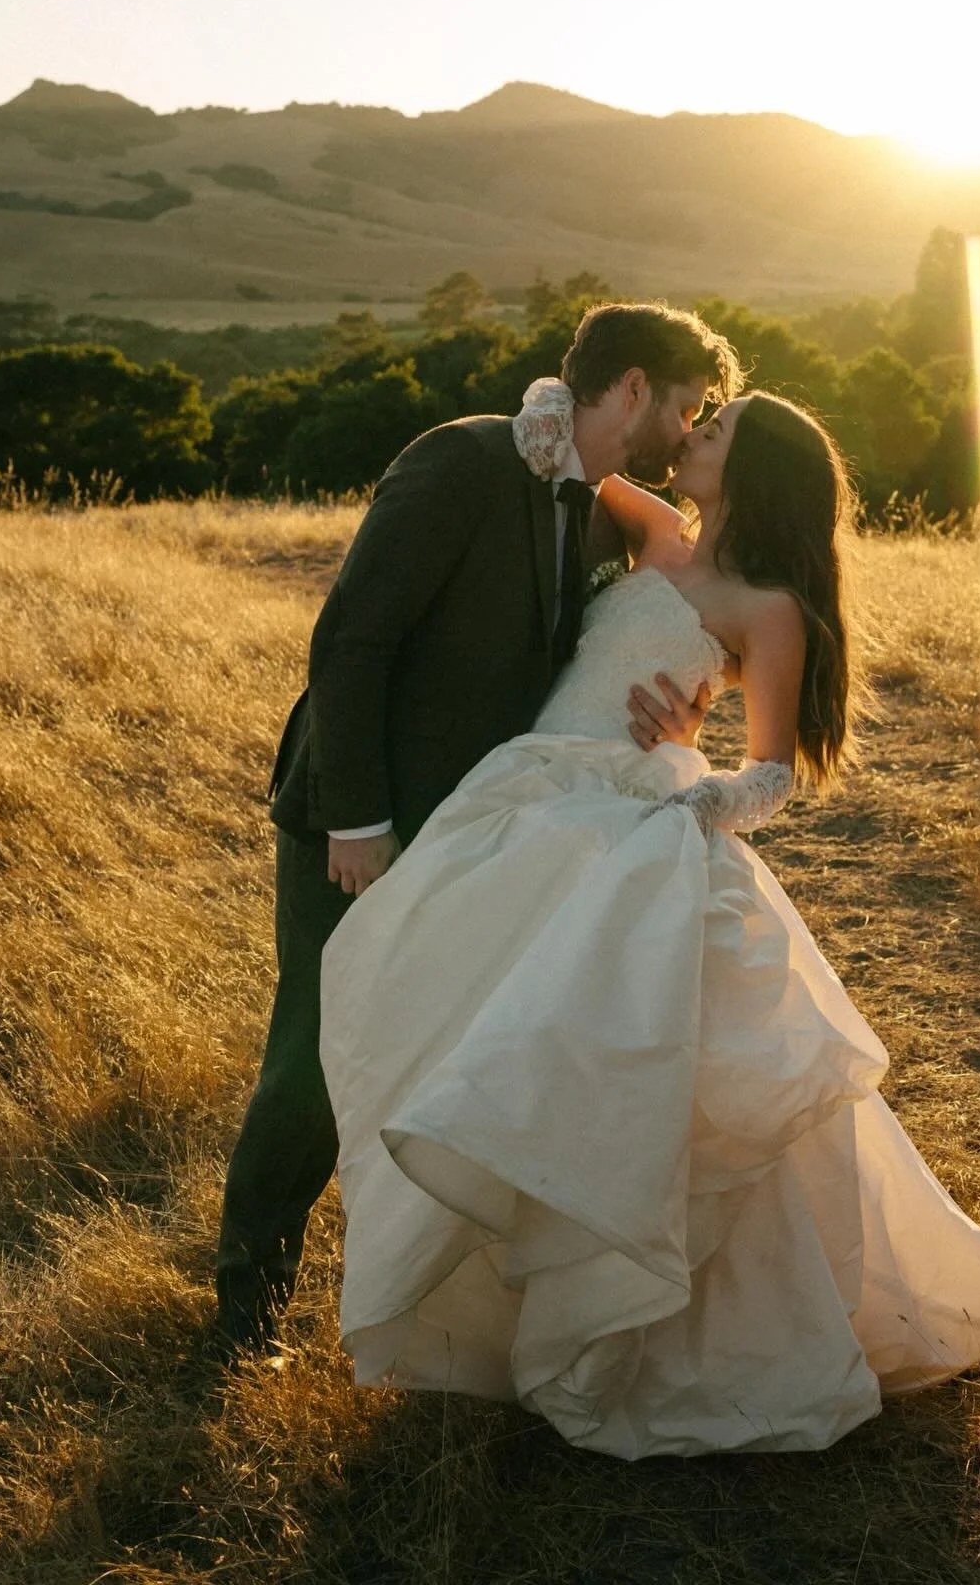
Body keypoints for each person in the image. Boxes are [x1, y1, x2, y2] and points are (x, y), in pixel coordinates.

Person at [319, 384, 980, 1458]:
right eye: (693, 421)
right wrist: (546, 404)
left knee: (619, 1055)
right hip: (531, 794)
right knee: (495, 1024)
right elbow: (571, 444)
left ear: (754, 471)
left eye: (710, 434)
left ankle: (655, 1324)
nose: (687, 439)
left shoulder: (768, 607)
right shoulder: (659, 531)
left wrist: (703, 798)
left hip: (640, 817)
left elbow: (775, 768)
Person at [215, 302, 743, 1356]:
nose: (690, 432)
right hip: (359, 823)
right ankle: (243, 1312)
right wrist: (358, 821)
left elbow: (617, 644)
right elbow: (351, 642)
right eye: (684, 406)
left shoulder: (602, 512)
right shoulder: (456, 462)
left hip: (481, 834)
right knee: (314, 1060)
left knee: (431, 1057)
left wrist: (685, 711)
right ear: (631, 388)